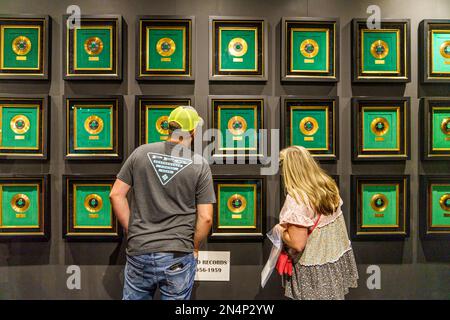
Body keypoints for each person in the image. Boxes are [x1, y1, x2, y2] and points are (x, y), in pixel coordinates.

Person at [109, 106, 216, 300]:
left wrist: (132, 230)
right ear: (193, 131)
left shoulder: (140, 153)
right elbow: (206, 217)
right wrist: (195, 247)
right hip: (178, 253)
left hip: (140, 249)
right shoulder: (199, 164)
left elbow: (116, 194)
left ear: (168, 127)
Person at [276, 146, 358, 300]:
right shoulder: (328, 186)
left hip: (312, 271)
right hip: (333, 264)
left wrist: (280, 230)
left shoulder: (297, 199)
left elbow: (298, 243)